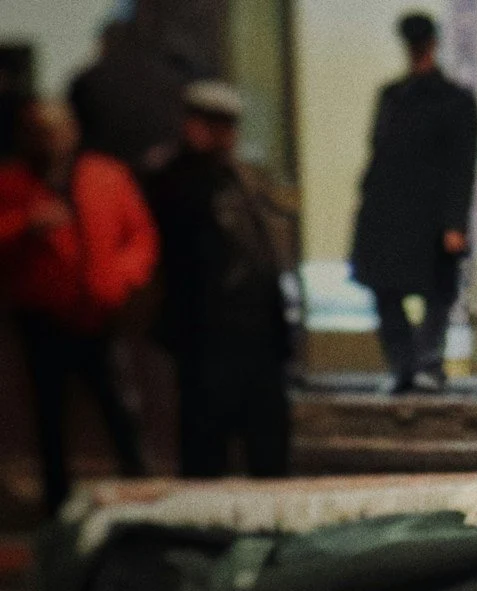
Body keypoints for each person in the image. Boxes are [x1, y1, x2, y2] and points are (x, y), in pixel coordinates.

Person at [0, 100, 155, 513]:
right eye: (39, 130)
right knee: (49, 418)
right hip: (42, 318)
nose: (49, 139)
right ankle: (56, 507)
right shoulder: (12, 184)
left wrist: (120, 276)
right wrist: (25, 226)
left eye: (56, 129)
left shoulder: (105, 176)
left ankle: (141, 497)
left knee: (121, 411)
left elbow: (139, 236)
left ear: (72, 130)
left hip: (99, 315)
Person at [146, 81, 293, 479]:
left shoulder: (240, 177)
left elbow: (261, 253)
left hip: (255, 333)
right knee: (205, 450)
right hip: (206, 334)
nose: (222, 135)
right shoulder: (175, 178)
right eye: (212, 124)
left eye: (227, 125)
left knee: (268, 449)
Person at [349, 12, 477, 394]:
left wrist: (455, 221)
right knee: (384, 289)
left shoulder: (456, 101)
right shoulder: (392, 96)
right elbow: (380, 152)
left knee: (438, 292)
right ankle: (405, 365)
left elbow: (462, 164)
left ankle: (426, 362)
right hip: (389, 210)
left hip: (431, 214)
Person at [68, 21, 188, 175]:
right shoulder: (170, 80)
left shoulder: (88, 80)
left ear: (105, 43)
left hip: (104, 172)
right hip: (163, 170)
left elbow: (75, 131)